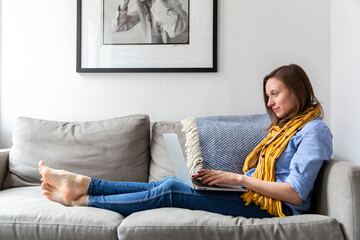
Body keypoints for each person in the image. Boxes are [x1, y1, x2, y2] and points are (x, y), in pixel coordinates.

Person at [39, 64, 332, 218]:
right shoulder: (285, 129)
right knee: (166, 184)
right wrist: (228, 181)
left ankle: (87, 199)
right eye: (268, 95)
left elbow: (294, 194)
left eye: (275, 94)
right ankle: (83, 185)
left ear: (297, 89)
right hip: (253, 196)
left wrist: (238, 179)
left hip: (273, 208)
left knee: (170, 189)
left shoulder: (314, 131)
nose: (269, 103)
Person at [112, 0, 189, 44]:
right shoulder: (142, 6)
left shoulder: (171, 2)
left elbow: (177, 30)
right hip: (153, 56)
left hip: (176, 55)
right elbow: (118, 27)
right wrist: (124, 3)